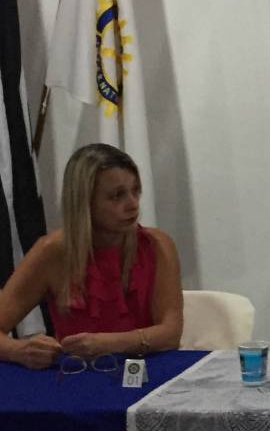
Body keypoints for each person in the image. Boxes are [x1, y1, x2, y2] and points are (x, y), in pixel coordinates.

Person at [0, 143, 183, 369]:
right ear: (84, 201)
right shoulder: (52, 251)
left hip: (150, 370)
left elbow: (171, 333)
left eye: (136, 191)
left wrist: (107, 344)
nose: (133, 204)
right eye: (117, 196)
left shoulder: (157, 245)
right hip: (79, 374)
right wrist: (18, 350)